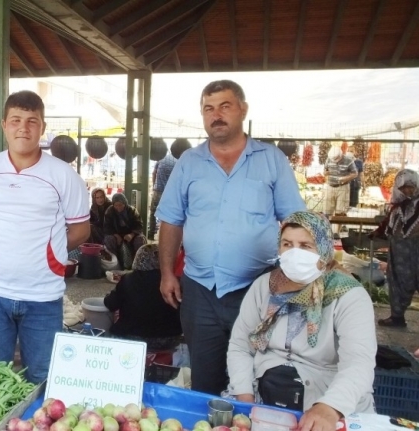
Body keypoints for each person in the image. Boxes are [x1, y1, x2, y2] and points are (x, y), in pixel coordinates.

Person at [156, 80, 306, 395]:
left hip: (258, 288)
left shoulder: (271, 159)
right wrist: (167, 273)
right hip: (200, 291)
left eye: (225, 106)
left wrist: (295, 274)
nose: (217, 115)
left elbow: (295, 221)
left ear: (242, 109)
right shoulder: (189, 162)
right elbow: (171, 220)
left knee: (257, 376)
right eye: (209, 109)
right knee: (205, 379)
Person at [0, 90, 90, 384]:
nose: (24, 127)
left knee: (42, 378)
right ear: (3, 124)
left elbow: (81, 229)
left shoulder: (64, 176)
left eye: (32, 121)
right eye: (16, 120)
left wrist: (49, 252)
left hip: (43, 298)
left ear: (43, 128)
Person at [228, 211, 376, 431]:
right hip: (263, 403)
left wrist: (329, 408)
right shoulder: (265, 286)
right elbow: (240, 346)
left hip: (326, 407)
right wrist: (245, 400)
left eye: (306, 246)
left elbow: (358, 364)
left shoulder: (348, 295)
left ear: (324, 249)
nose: (295, 253)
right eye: (287, 244)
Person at [104, 244, 182, 349]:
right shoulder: (173, 281)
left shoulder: (128, 279)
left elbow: (110, 304)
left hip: (132, 339)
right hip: (170, 339)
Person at [373, 169, 419, 328]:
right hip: (400, 255)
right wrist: (377, 232)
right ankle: (397, 318)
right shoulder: (398, 206)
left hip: (416, 251)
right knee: (398, 284)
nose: (407, 190)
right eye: (403, 188)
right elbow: (388, 224)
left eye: (410, 186)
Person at [103, 193, 147, 270]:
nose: (118, 207)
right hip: (116, 233)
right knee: (109, 239)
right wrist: (116, 235)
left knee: (140, 239)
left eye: (120, 205)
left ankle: (138, 264)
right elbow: (107, 226)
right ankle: (115, 264)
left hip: (131, 233)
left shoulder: (132, 210)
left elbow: (139, 225)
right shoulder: (110, 211)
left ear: (125, 203)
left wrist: (132, 234)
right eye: (116, 205)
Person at [148, 152, 177, 240]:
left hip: (158, 191)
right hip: (171, 193)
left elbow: (154, 173)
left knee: (153, 213)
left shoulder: (161, 158)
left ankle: (151, 234)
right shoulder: (178, 161)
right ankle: (168, 236)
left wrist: (154, 186)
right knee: (170, 215)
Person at [323, 147, 357, 216]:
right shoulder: (329, 159)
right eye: (333, 159)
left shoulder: (349, 160)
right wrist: (325, 173)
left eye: (336, 159)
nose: (335, 160)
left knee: (340, 212)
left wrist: (346, 178)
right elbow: (325, 170)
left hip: (343, 187)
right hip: (330, 186)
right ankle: (327, 226)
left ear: (341, 155)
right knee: (327, 211)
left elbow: (355, 173)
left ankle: (338, 226)